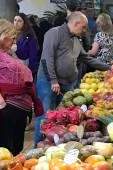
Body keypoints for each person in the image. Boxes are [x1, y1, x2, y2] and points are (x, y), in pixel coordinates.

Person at [0, 19, 42, 155]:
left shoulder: (5, 53)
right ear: (1, 35)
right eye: (12, 38)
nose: (14, 42)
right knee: (6, 151)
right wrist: (2, 106)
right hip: (8, 109)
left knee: (15, 149)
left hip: (18, 109)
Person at [34, 11, 88, 144]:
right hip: (48, 82)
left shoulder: (75, 39)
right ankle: (38, 146)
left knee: (59, 118)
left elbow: (85, 58)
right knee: (45, 116)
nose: (85, 30)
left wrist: (108, 68)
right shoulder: (54, 33)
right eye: (84, 27)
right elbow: (46, 59)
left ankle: (51, 146)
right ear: (76, 23)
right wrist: (53, 80)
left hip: (65, 84)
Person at [14, 13, 39, 77]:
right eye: (15, 20)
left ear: (24, 23)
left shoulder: (30, 36)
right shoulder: (10, 34)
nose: (16, 23)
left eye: (19, 21)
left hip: (25, 69)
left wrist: (30, 72)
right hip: (13, 69)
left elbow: (33, 56)